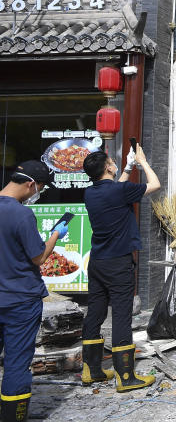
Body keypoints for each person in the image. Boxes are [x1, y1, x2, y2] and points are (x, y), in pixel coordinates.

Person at [80, 145, 161, 392]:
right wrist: (143, 163)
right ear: (107, 167)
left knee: (95, 312)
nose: (115, 164)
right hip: (118, 264)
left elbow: (115, 190)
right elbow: (155, 185)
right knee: (122, 316)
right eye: (112, 162)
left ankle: (91, 370)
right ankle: (125, 376)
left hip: (97, 263)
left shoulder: (90, 193)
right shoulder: (118, 190)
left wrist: (126, 168)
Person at [0, 161, 67, 422]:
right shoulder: (21, 214)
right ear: (30, 184)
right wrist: (55, 235)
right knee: (17, 362)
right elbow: (38, 257)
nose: (37, 193)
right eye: (39, 188)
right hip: (20, 300)